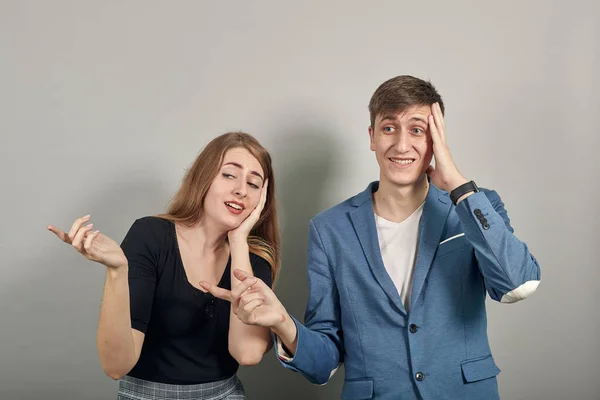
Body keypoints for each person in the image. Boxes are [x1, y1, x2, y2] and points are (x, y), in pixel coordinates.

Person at [202, 76, 541, 399]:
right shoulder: (329, 229)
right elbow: (323, 364)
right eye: (389, 128)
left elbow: (517, 285)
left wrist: (457, 185)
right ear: (372, 136)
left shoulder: (475, 206)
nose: (402, 144)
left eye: (417, 130)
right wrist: (282, 323)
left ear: (437, 139)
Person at [48, 132, 279, 400]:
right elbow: (115, 367)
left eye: (253, 183)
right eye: (229, 175)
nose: (241, 189)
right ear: (204, 178)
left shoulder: (256, 260)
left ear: (262, 199)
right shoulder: (151, 235)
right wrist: (117, 271)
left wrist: (239, 242)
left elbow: (247, 353)